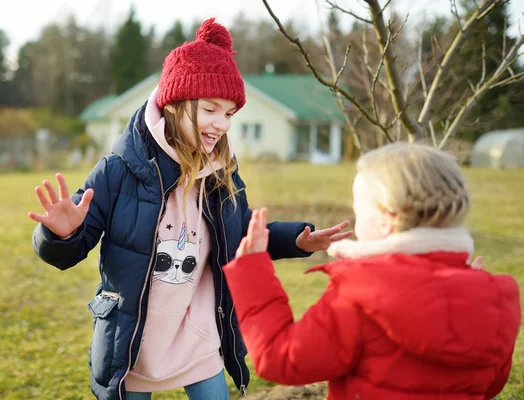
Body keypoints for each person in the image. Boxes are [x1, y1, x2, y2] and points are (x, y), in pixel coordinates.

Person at [28, 18, 351, 400]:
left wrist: (296, 239)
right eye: (211, 110)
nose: (221, 125)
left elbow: (241, 230)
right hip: (132, 343)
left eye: (229, 114)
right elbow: (67, 253)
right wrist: (60, 234)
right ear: (176, 105)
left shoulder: (221, 172)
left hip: (199, 336)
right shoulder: (118, 169)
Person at [224, 143, 522, 400]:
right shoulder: (496, 297)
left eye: (359, 209)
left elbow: (280, 358)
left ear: (386, 219)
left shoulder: (361, 296)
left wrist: (253, 272)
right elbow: (489, 385)